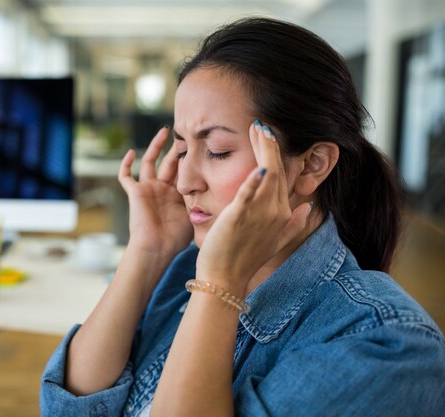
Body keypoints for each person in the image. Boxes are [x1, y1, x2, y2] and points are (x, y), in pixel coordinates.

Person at [41, 17, 445, 417]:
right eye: (181, 149)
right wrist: (148, 250)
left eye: (217, 150)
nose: (184, 181)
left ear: (311, 165)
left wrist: (219, 286)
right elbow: (67, 410)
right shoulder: (181, 271)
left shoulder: (387, 344)